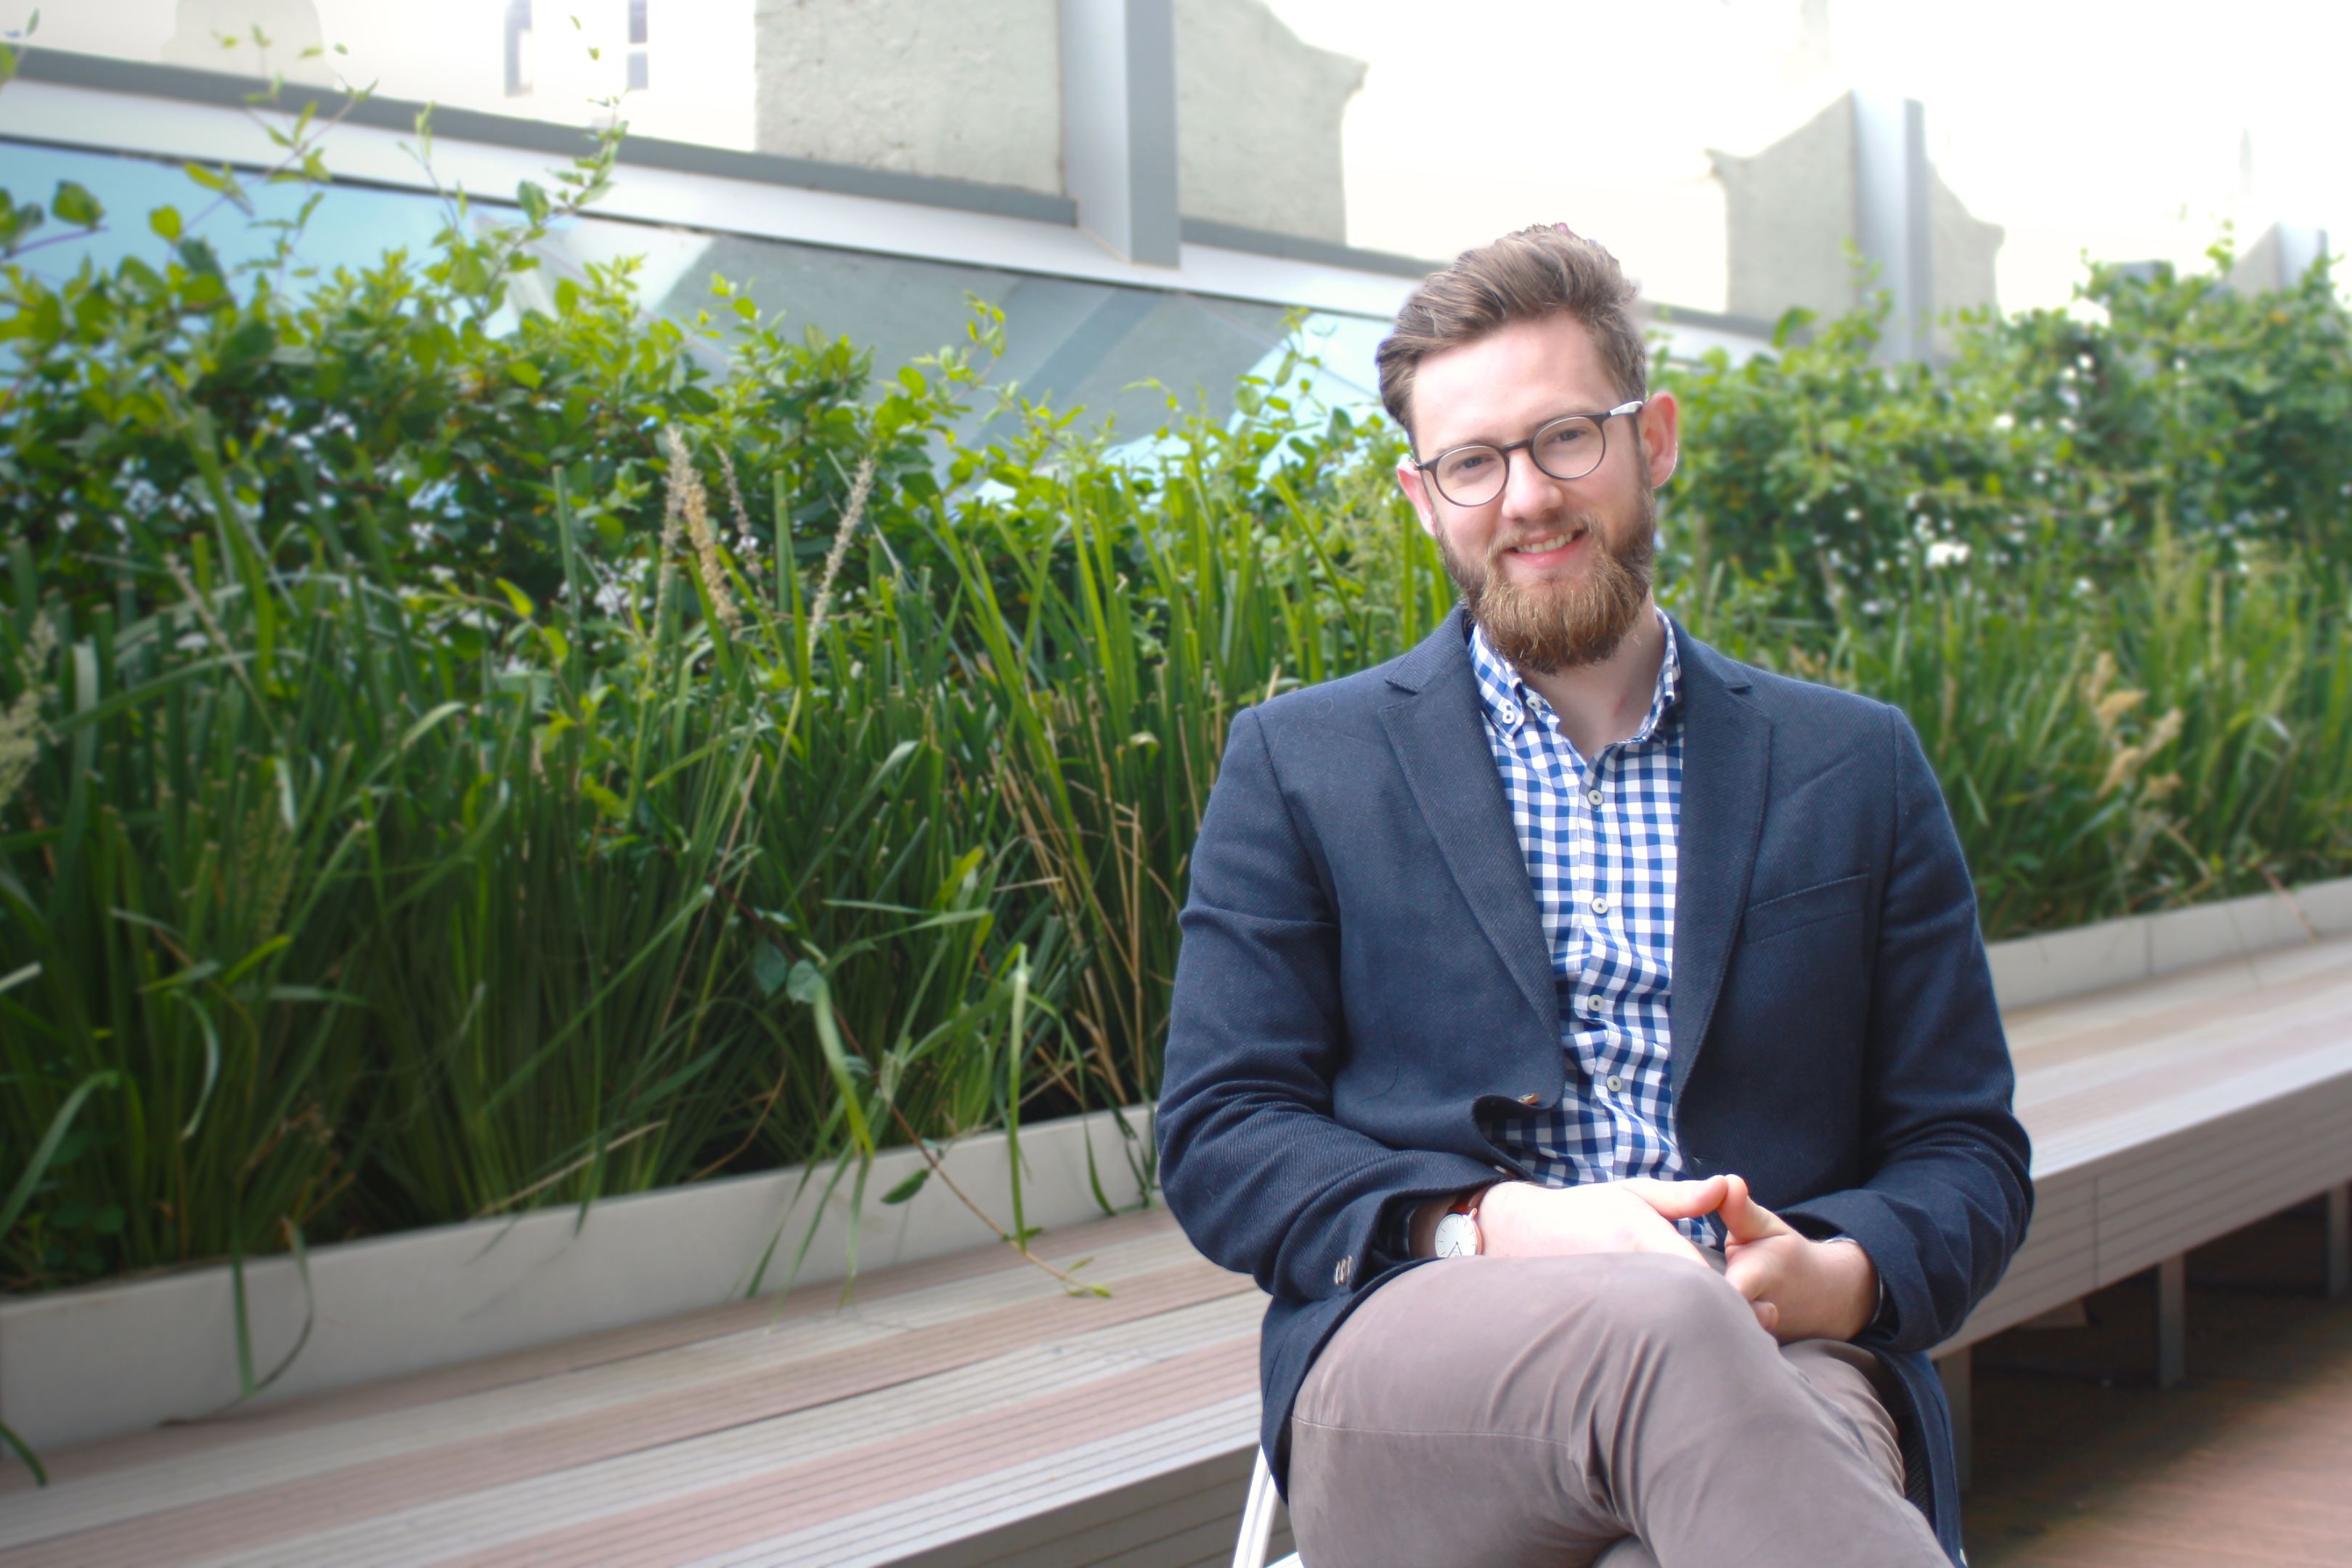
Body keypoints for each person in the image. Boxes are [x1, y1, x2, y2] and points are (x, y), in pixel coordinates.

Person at [1156, 224, 2032, 1567]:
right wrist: (1493, 1224)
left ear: (1653, 437)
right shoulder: (1301, 766)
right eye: (1472, 462)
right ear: (1421, 494)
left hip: (1776, 1346)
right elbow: (1222, 1133)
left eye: (1565, 437)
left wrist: (1833, 1275)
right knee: (1666, 1329)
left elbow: (1965, 1149)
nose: (1525, 497)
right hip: (1416, 1356)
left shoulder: (1853, 764)